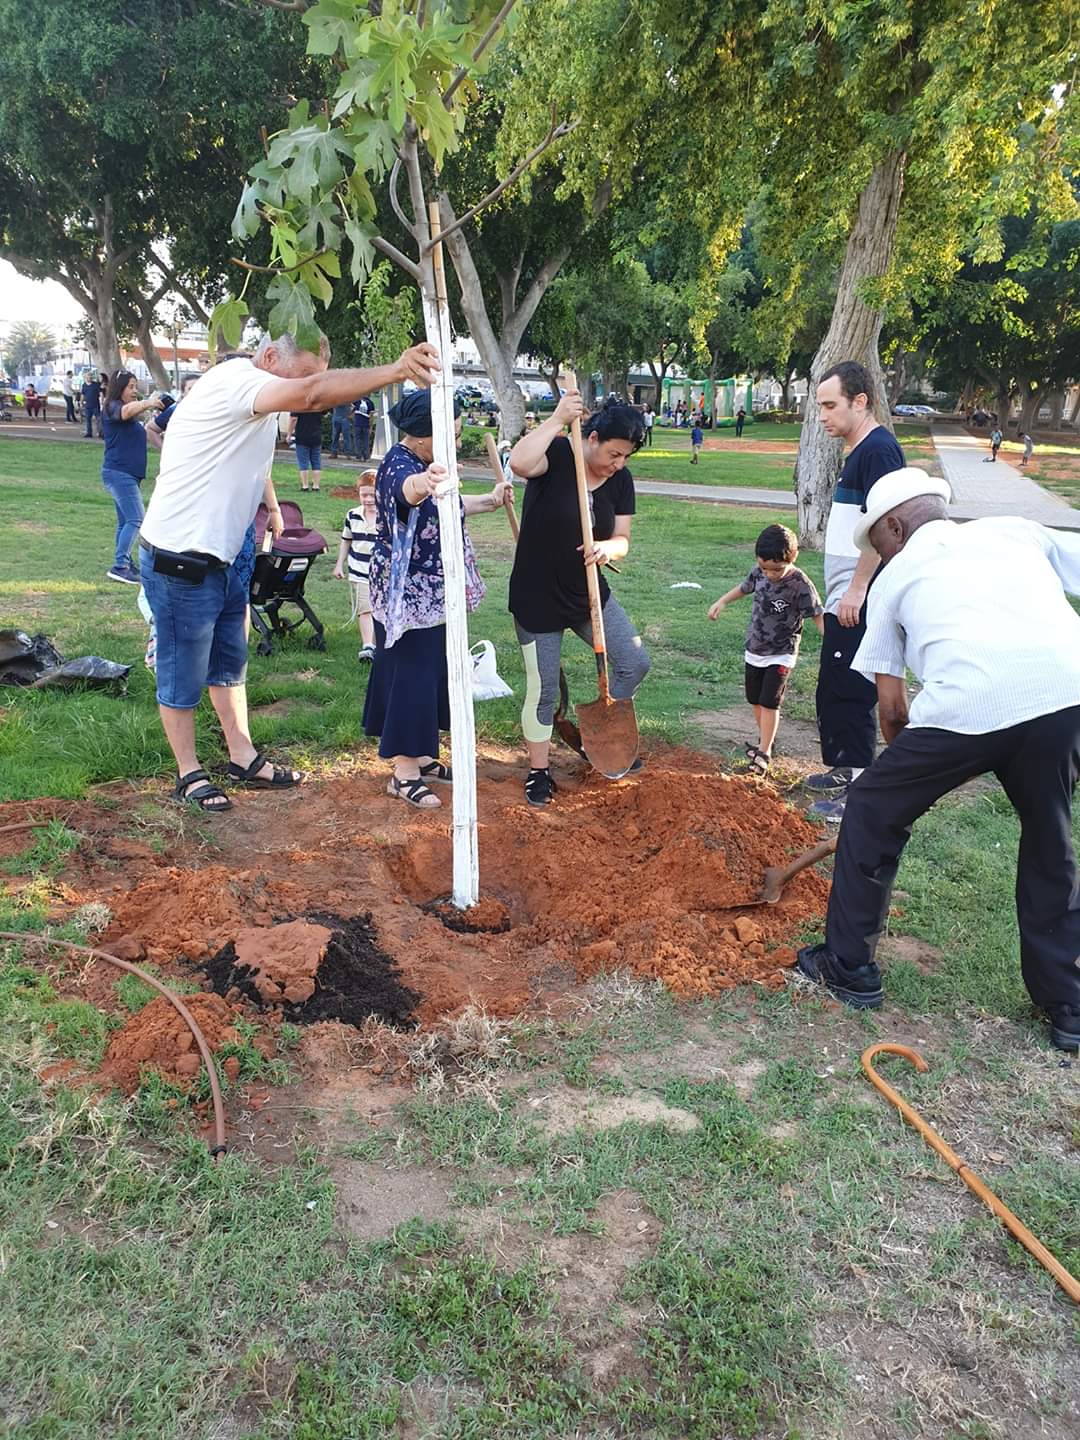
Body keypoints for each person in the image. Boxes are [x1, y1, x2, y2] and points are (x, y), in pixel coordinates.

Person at [796, 468, 1080, 1054]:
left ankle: (847, 967)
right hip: (1065, 695)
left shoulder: (896, 576)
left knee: (871, 806)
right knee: (1050, 834)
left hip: (970, 703)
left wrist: (908, 781)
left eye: (877, 543)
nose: (880, 554)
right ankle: (1071, 1003)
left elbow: (892, 707)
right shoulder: (1017, 530)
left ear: (894, 528)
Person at [139, 329, 438, 813]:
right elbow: (313, 395)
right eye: (303, 379)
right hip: (182, 560)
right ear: (271, 356)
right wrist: (398, 370)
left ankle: (243, 758)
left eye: (312, 381)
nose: (309, 396)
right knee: (181, 671)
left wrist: (269, 513)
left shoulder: (255, 399)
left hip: (228, 554)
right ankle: (188, 772)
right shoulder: (236, 381)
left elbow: (251, 464)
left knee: (229, 665)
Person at [363, 391, 512, 809]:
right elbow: (408, 493)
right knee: (411, 675)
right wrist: (424, 483)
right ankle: (404, 773)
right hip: (407, 595)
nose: (458, 434)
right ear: (425, 434)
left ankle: (424, 758)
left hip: (432, 591)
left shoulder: (424, 462)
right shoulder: (400, 465)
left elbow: (443, 507)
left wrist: (489, 500)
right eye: (452, 427)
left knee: (432, 672)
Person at [507, 393, 651, 807]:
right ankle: (538, 772)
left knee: (634, 660)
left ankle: (601, 738)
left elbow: (623, 539)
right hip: (537, 596)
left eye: (625, 456)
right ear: (591, 438)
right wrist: (555, 418)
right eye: (613, 453)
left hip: (586, 591)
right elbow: (518, 463)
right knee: (545, 688)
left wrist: (608, 548)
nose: (618, 463)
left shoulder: (621, 482)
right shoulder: (556, 456)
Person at [806, 359, 905, 820]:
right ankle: (846, 768)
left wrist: (857, 590)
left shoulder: (879, 452)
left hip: (858, 598)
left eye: (830, 405)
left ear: (859, 401)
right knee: (836, 687)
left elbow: (888, 527)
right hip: (844, 595)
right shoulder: (859, 451)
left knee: (853, 690)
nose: (822, 415)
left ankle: (859, 794)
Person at [708, 524, 824, 775]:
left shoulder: (800, 583)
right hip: (755, 648)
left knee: (770, 702)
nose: (770, 574)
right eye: (765, 568)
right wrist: (722, 602)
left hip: (782, 651)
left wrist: (832, 645)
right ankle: (766, 739)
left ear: (792, 558)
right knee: (755, 699)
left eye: (777, 569)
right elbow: (743, 588)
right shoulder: (758, 573)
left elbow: (816, 614)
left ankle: (765, 752)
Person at [101, 371, 162, 583]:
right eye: (131, 387)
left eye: (136, 386)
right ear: (120, 389)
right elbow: (126, 411)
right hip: (119, 473)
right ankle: (120, 566)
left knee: (125, 521)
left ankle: (125, 563)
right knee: (137, 519)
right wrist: (149, 402)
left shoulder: (128, 416)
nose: (135, 391)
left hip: (128, 475)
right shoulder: (112, 407)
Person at [334, 469, 378, 662]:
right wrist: (339, 565)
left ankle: (381, 645)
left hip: (383, 573)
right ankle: (368, 646)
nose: (368, 499)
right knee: (365, 608)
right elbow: (346, 540)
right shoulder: (352, 515)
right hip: (360, 571)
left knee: (381, 610)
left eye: (372, 494)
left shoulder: (387, 516)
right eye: (364, 494)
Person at [287, 405, 325, 491]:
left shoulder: (298, 404)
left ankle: (305, 486)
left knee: (303, 462)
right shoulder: (318, 404)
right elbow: (324, 413)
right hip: (316, 436)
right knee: (316, 462)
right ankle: (316, 486)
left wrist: (289, 434)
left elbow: (293, 419)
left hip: (302, 436)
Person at [81, 371, 102, 438]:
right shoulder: (84, 385)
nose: (89, 378)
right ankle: (89, 433)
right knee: (88, 420)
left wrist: (102, 401)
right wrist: (81, 402)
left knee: (98, 419)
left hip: (95, 405)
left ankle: (100, 432)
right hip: (88, 406)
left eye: (90, 376)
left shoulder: (96, 385)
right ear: (85, 377)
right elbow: (83, 394)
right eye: (88, 376)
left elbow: (101, 393)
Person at [352, 395, 373, 461]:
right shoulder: (370, 403)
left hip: (357, 424)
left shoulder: (356, 401)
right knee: (365, 441)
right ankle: (366, 457)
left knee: (357, 440)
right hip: (366, 424)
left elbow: (350, 403)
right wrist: (370, 425)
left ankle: (358, 456)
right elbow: (371, 415)